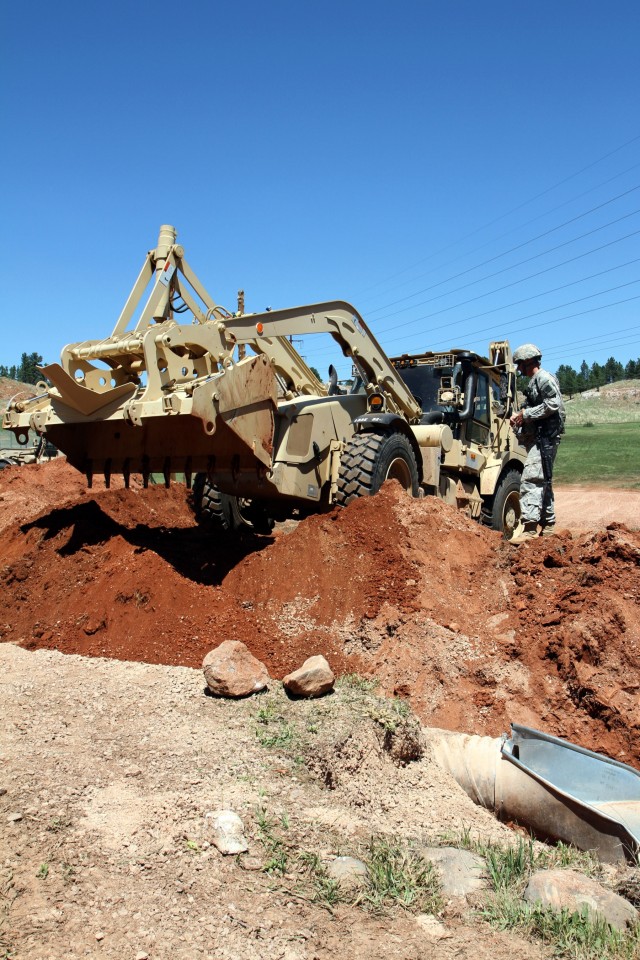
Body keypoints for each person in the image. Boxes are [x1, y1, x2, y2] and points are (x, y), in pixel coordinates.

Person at [509, 344, 566, 544]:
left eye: (519, 365)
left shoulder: (543, 378)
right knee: (544, 480)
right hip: (542, 438)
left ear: (527, 362)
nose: (518, 370)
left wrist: (526, 414)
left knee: (531, 479)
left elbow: (553, 404)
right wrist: (520, 416)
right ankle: (548, 525)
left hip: (546, 438)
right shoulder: (535, 382)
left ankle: (530, 528)